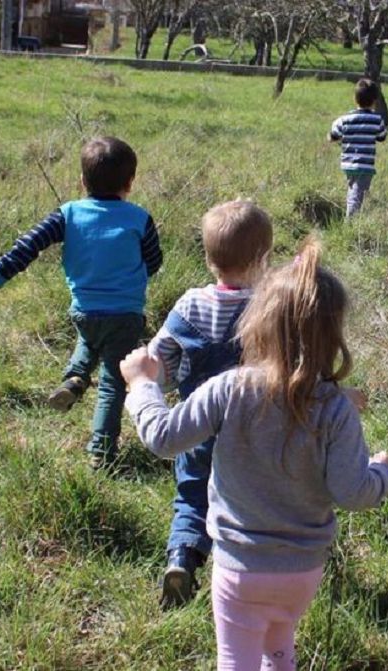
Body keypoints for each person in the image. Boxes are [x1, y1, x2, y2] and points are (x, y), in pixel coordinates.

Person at [122, 240, 388, 671]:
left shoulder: (229, 389)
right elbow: (353, 491)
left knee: (236, 660)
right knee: (277, 645)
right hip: (302, 574)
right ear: (333, 336)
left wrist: (142, 385)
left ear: (258, 324)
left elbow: (162, 436)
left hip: (239, 568)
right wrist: (382, 473)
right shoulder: (336, 407)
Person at [0, 136, 162, 470]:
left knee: (89, 339)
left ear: (81, 181)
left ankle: (75, 378)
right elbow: (155, 260)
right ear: (130, 183)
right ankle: (101, 452)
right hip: (125, 315)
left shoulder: (68, 214)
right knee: (112, 383)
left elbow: (29, 244)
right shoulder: (140, 219)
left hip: (84, 311)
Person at [147, 200, 273, 610]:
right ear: (264, 259)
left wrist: (159, 383)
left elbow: (160, 358)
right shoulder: (269, 307)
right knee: (250, 499)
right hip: (252, 434)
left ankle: (182, 557)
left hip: (195, 426)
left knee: (190, 494)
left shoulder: (189, 306)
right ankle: (248, 567)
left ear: (208, 258)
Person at [329, 79, 388, 218]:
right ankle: (351, 221)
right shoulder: (377, 120)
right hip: (365, 165)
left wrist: (332, 137)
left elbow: (334, 134)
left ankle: (352, 214)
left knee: (353, 189)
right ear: (375, 101)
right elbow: (382, 136)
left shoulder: (345, 119)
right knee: (358, 193)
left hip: (348, 163)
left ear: (355, 98)